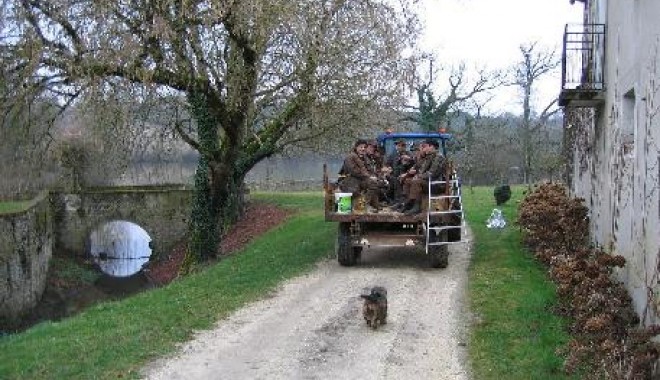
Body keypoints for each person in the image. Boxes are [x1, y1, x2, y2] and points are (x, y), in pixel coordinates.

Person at [397, 139, 447, 215]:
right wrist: (417, 175)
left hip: (436, 184)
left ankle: (416, 207)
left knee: (416, 181)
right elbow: (422, 170)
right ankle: (407, 202)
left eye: (426, 146)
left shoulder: (439, 157)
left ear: (432, 146)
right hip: (429, 182)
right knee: (408, 181)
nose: (425, 148)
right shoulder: (430, 156)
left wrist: (419, 176)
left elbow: (432, 174)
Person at [338, 139, 382, 212]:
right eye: (361, 147)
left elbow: (368, 169)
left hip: (359, 179)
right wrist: (368, 176)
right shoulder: (350, 157)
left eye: (364, 147)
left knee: (374, 184)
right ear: (356, 147)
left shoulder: (363, 157)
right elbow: (353, 171)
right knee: (358, 189)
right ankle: (361, 206)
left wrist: (374, 177)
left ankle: (366, 205)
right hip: (349, 180)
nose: (363, 149)